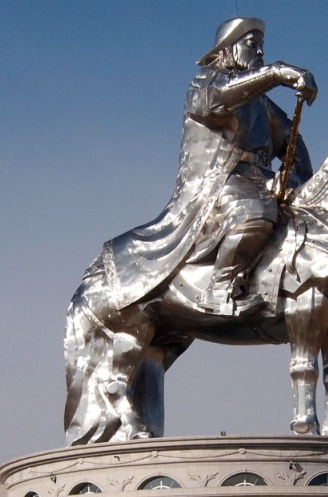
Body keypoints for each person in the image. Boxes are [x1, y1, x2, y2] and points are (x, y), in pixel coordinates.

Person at [98, 17, 316, 317]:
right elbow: (217, 103)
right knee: (255, 212)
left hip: (261, 180)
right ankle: (219, 289)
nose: (260, 54)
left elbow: (292, 141)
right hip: (220, 182)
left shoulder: (263, 104)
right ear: (229, 48)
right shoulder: (206, 82)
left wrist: (295, 178)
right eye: (252, 46)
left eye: (262, 48)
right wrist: (277, 72)